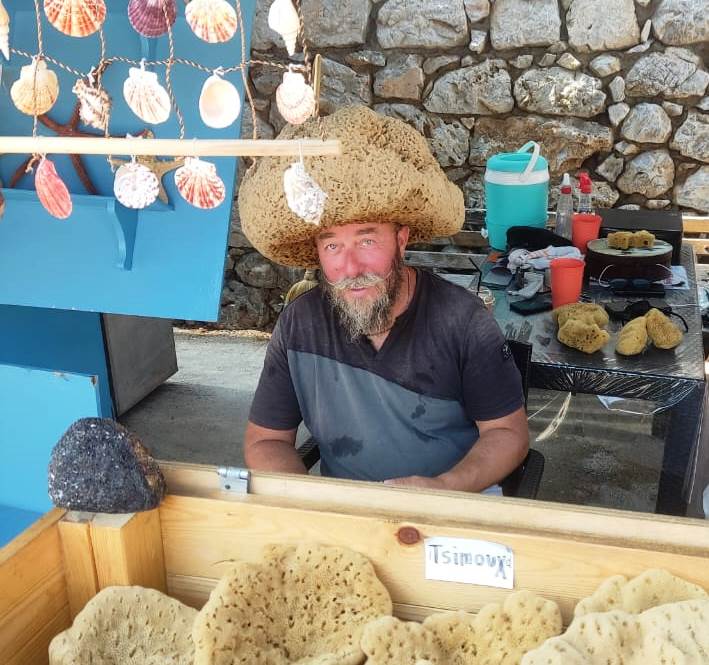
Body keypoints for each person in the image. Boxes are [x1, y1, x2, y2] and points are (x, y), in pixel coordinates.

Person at [238, 106, 528, 493]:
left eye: (367, 241)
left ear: (401, 240)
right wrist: (312, 502)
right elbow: (265, 440)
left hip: (453, 504)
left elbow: (507, 433)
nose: (350, 267)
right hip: (345, 514)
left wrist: (446, 486)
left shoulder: (462, 319)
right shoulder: (299, 324)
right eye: (332, 246)